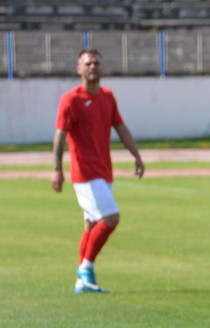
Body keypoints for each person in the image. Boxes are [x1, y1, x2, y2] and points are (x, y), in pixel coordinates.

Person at [51, 47, 145, 294]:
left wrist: (136, 155)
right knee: (111, 217)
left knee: (92, 224)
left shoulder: (107, 96)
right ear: (79, 69)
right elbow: (60, 135)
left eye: (96, 63)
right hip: (84, 174)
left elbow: (120, 127)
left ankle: (83, 281)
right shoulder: (70, 100)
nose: (92, 67)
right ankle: (86, 267)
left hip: (104, 171)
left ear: (102, 67)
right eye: (87, 63)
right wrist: (57, 169)